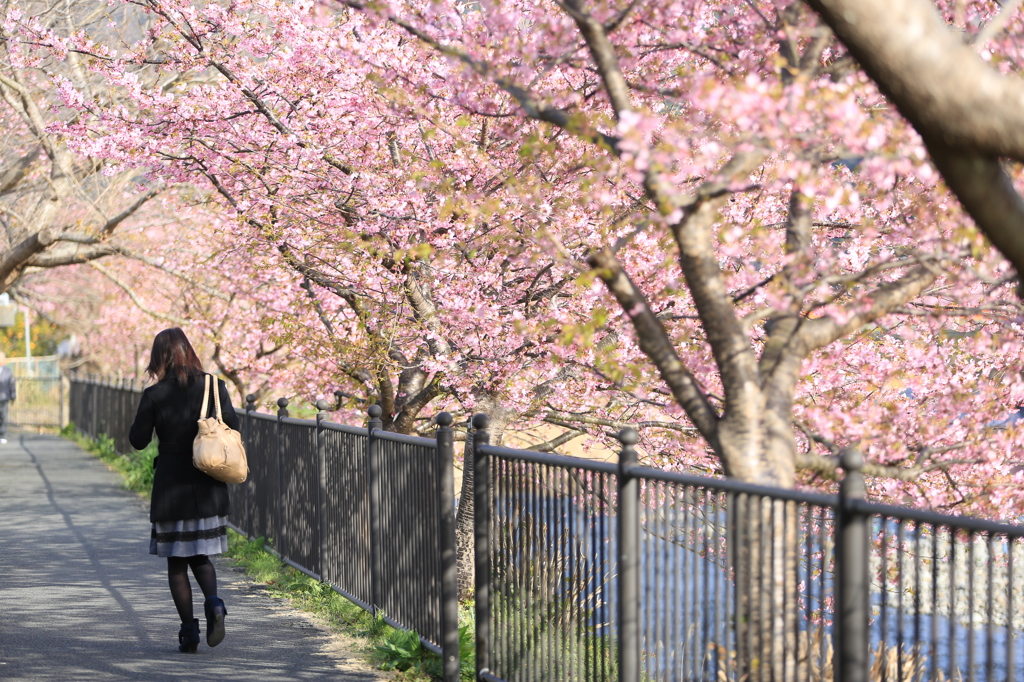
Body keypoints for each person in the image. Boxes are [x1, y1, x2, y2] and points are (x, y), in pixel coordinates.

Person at [129, 328, 239, 653]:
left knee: (176, 562)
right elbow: (234, 426)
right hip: (207, 481)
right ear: (189, 351)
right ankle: (215, 604)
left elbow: (138, 441)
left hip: (171, 486)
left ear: (158, 357)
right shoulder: (214, 386)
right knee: (200, 554)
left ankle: (189, 633)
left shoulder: (155, 394)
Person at [0, 352, 15, 444]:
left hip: (4, 397)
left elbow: (11, 384)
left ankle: (3, 435)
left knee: (4, 416)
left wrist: (13, 396)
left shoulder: (8, 371)